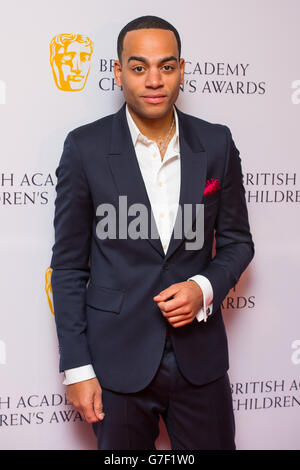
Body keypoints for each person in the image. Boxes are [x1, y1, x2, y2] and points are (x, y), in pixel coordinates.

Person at [50, 15, 254, 450]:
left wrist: (203, 287)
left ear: (182, 69)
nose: (154, 80)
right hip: (115, 362)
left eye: (166, 66)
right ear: (118, 72)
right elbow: (67, 267)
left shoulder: (216, 143)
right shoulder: (85, 148)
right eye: (139, 67)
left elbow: (238, 242)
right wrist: (78, 368)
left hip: (200, 360)